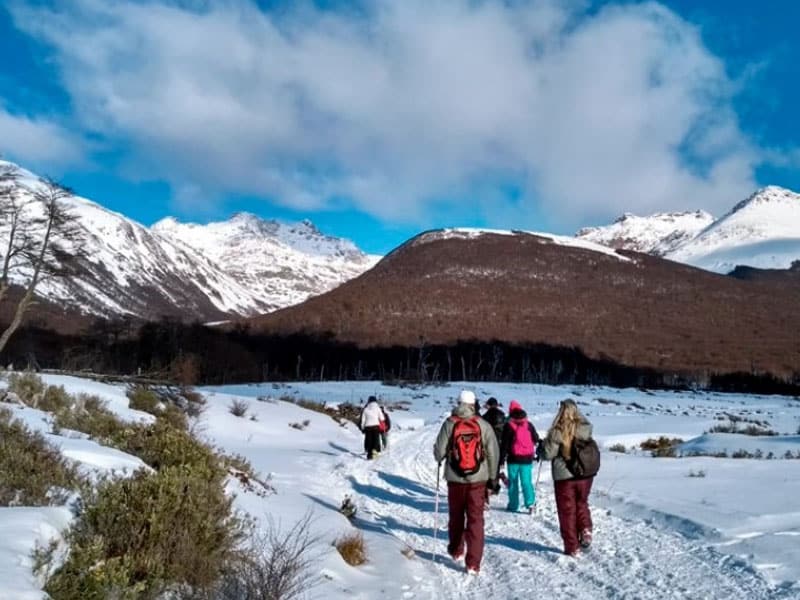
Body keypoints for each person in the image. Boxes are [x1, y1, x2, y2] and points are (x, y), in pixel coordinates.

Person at [433, 390, 499, 575]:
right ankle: (473, 563)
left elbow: (438, 453)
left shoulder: (449, 423)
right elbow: (493, 451)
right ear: (473, 404)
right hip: (478, 480)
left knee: (456, 516)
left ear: (458, 402)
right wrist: (492, 477)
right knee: (476, 520)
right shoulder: (482, 425)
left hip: (455, 480)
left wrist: (442, 453)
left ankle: (456, 550)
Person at [541, 399, 595, 556]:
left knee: (567, 511)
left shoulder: (557, 431)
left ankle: (572, 547)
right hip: (585, 474)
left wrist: (544, 446)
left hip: (564, 477)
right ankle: (585, 529)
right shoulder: (585, 429)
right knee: (582, 503)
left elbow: (548, 454)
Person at [499, 400, 540, 513]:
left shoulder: (508, 426)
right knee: (526, 482)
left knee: (513, 482)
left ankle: (513, 505)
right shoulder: (528, 424)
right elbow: (536, 439)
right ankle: (530, 504)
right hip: (527, 459)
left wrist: (501, 459)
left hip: (513, 459)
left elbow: (504, 445)